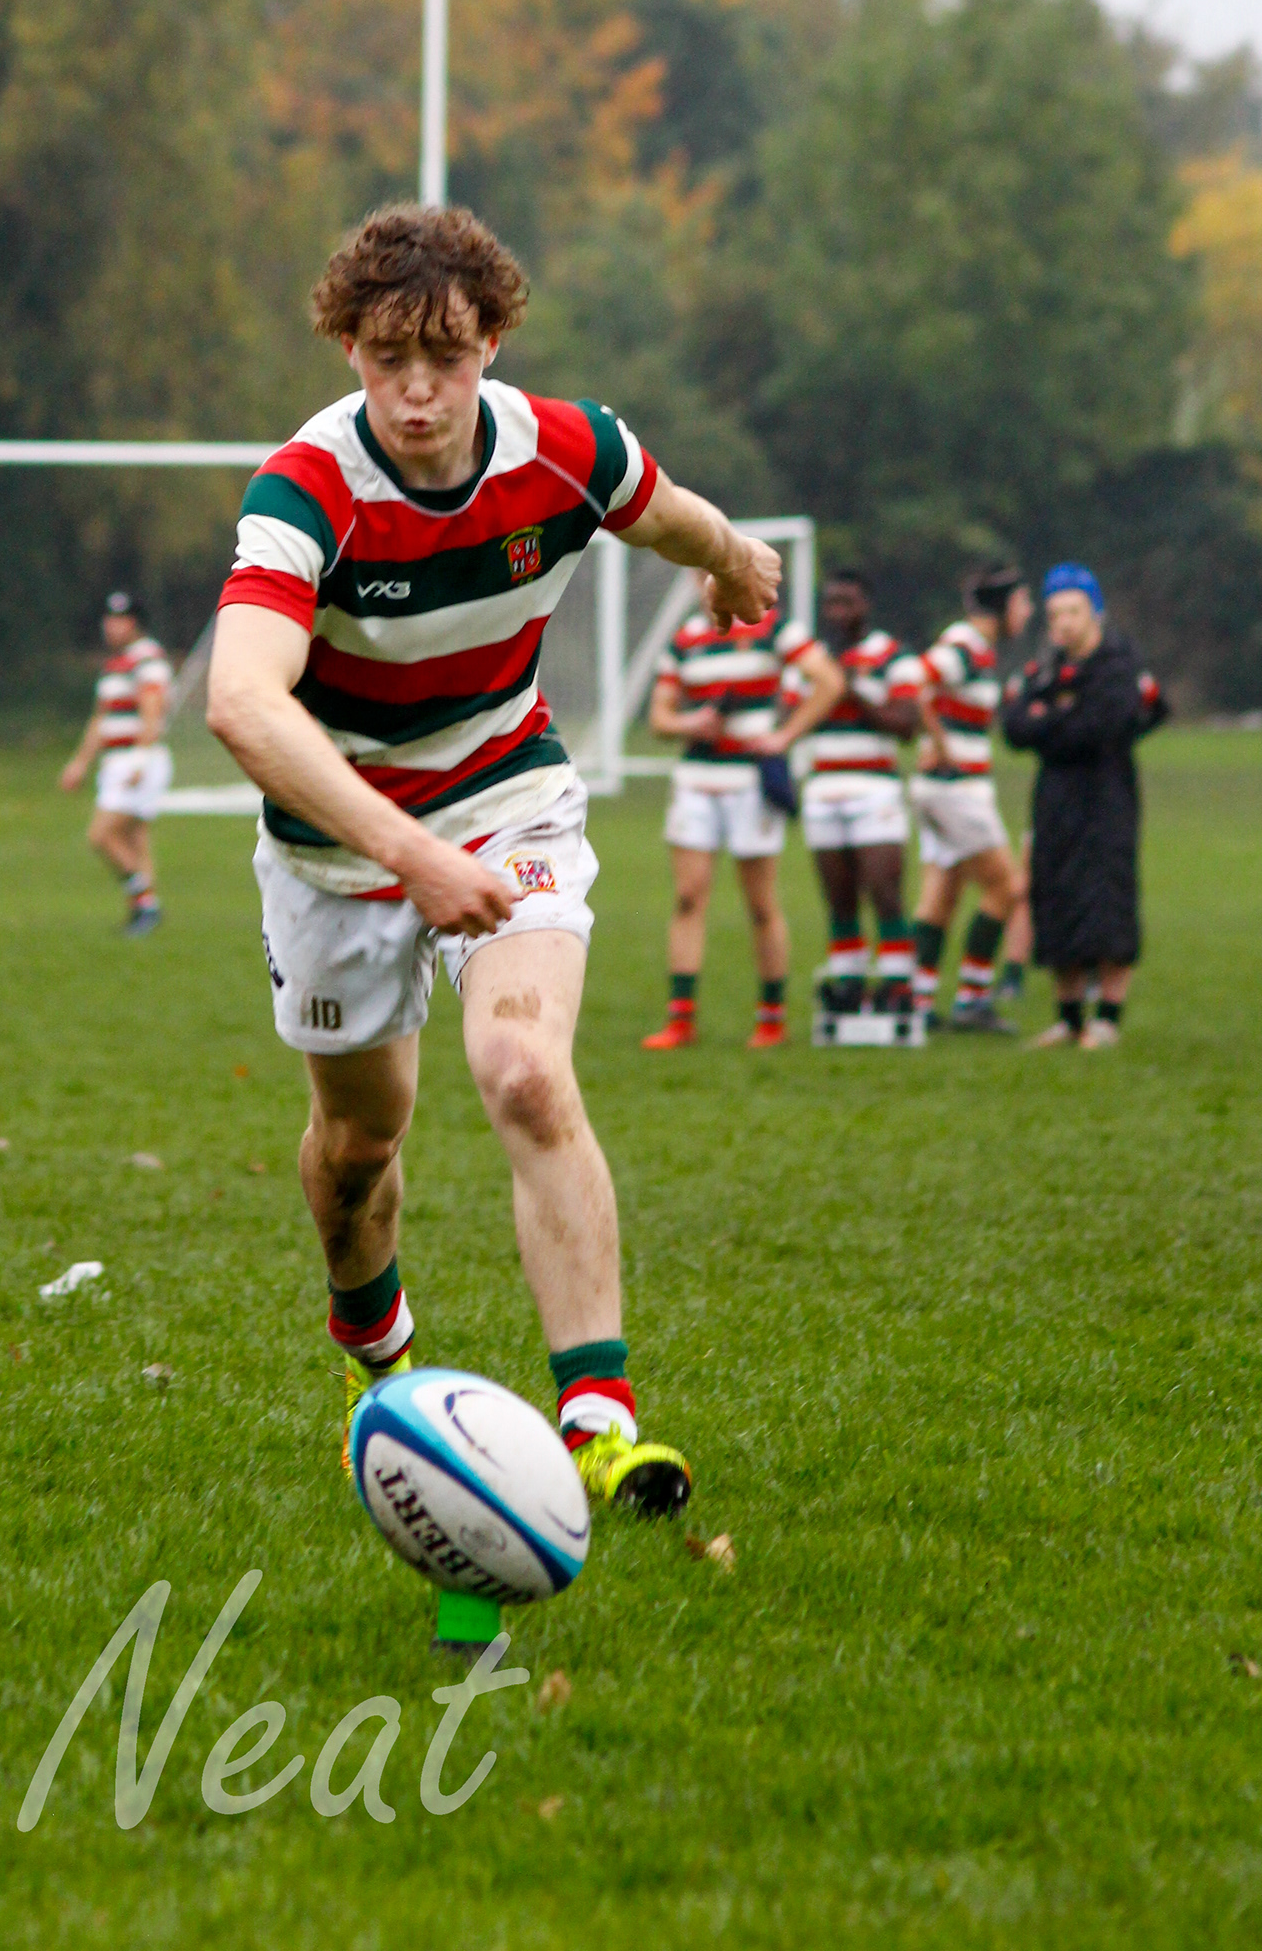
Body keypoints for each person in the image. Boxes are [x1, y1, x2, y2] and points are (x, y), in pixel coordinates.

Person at [204, 203, 781, 1518]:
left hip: (505, 796)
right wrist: (408, 853)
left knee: (523, 1069)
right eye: (388, 358)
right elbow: (240, 702)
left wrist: (735, 559)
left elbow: (670, 516)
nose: (418, 391)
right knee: (360, 1145)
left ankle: (599, 1426)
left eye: (447, 358)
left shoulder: (564, 450)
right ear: (347, 350)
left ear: (493, 345)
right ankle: (379, 1357)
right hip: (338, 841)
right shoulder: (306, 491)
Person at [642, 599, 844, 1049]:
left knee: (760, 904)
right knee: (688, 897)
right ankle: (680, 1021)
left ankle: (772, 1019)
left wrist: (784, 737)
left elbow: (829, 681)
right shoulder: (686, 639)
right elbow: (659, 719)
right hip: (696, 780)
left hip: (751, 782)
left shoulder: (774, 629)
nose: (707, 582)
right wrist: (690, 723)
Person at [1001, 563, 1168, 1050]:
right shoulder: (1044, 666)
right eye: (1055, 614)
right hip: (1055, 797)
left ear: (1095, 611)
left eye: (1073, 611)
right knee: (1055, 894)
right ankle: (1069, 1019)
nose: (1063, 623)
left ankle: (1107, 1018)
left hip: (1107, 795)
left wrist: (1049, 719)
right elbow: (1014, 726)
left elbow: (1101, 726)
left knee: (1107, 898)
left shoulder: (1118, 663)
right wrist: (1060, 718)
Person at [910, 565, 1034, 1034]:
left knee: (942, 895)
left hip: (946, 790)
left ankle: (919, 1003)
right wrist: (939, 744)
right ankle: (973, 999)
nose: (1028, 611)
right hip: (955, 790)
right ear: (1002, 606)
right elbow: (912, 682)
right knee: (1007, 888)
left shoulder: (977, 649)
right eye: (1022, 601)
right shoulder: (964, 646)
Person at [800, 571, 925, 1014]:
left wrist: (851, 693)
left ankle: (897, 984)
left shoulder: (892, 656)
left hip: (875, 788)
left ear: (865, 605)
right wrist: (824, 689)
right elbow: (790, 714)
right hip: (822, 788)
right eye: (831, 603)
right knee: (839, 898)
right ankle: (849, 982)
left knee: (885, 891)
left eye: (847, 603)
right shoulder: (811, 659)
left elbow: (906, 725)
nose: (838, 612)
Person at [58, 591, 172, 935]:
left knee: (102, 834)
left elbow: (152, 711)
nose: (112, 626)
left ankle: (146, 903)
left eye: (121, 619)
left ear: (135, 624)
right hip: (115, 760)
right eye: (109, 619)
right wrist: (80, 762)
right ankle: (143, 913)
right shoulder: (114, 665)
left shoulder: (147, 658)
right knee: (135, 838)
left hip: (136, 760)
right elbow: (101, 719)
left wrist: (141, 758)